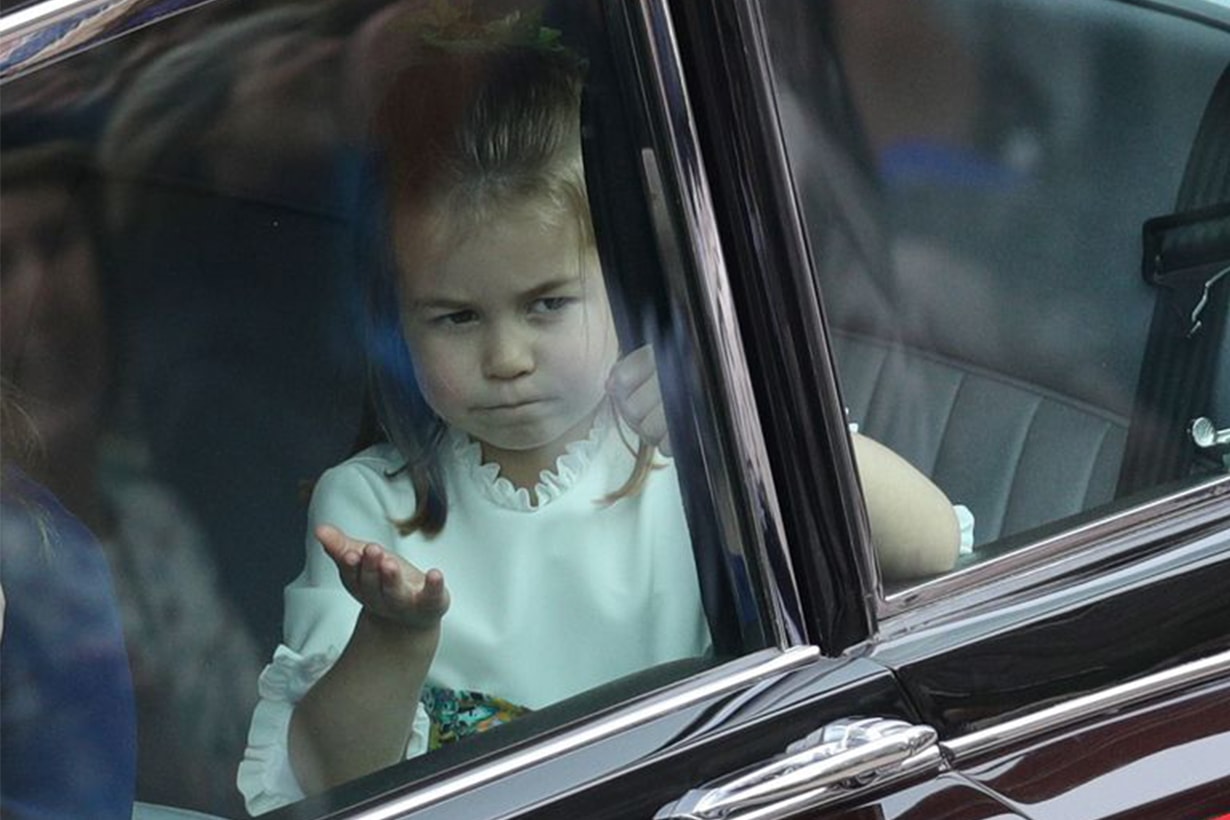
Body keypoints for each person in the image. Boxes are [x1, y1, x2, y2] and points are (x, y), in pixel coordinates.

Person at [239, 13, 963, 814]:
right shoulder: (371, 506)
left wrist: (733, 438)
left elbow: (932, 544)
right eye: (455, 317)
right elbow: (333, 781)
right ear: (397, 318)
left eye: (546, 304)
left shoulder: (692, 441)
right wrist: (394, 636)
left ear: (621, 288)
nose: (506, 357)